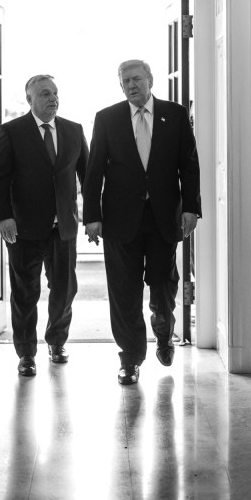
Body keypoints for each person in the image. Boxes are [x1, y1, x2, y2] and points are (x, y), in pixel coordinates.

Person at [84, 59, 201, 385]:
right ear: (120, 86)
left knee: (163, 284)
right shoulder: (107, 118)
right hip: (120, 220)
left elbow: (189, 166)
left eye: (136, 79)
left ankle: (164, 328)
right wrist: (92, 216)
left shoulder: (175, 114)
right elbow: (94, 171)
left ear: (150, 79)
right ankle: (130, 359)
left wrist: (191, 208)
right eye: (125, 81)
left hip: (165, 217)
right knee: (124, 293)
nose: (131, 85)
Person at [0, 74, 89, 377]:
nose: (53, 99)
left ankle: (56, 342)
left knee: (64, 289)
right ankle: (26, 353)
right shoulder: (12, 131)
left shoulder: (73, 131)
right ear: (29, 99)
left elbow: (87, 175)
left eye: (56, 93)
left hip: (64, 229)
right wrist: (4, 216)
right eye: (45, 94)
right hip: (24, 228)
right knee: (24, 292)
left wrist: (95, 216)